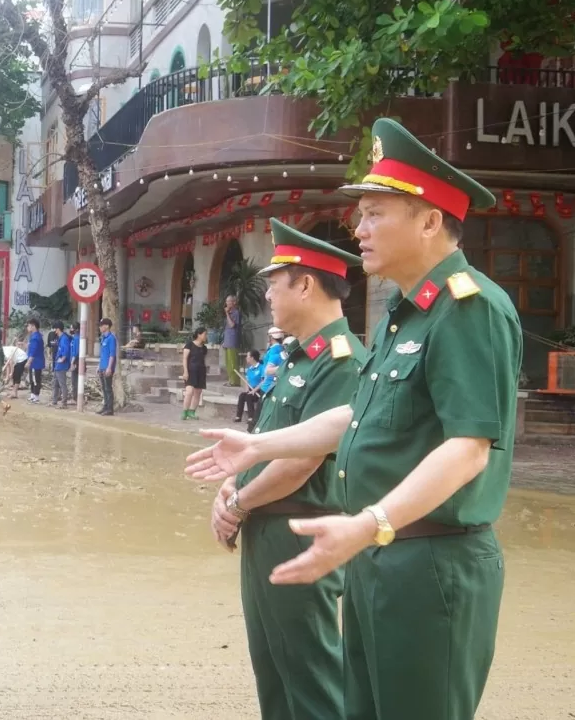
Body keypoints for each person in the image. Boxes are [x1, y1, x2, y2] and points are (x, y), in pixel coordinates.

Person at [187, 118, 519, 720]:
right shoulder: (405, 311)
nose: (357, 230)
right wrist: (258, 446)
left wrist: (369, 524)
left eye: (374, 214)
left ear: (428, 220)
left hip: (430, 561)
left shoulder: (469, 308)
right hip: (378, 554)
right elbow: (358, 417)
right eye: (359, 214)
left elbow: (470, 447)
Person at [209, 220, 366, 720]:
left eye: (275, 285)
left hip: (301, 529)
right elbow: (262, 443)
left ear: (305, 284)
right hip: (266, 526)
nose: (269, 297)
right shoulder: (297, 359)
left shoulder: (341, 362)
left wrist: (236, 504)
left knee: (311, 677)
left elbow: (301, 461)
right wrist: (232, 487)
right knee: (274, 672)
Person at [182, 326, 209, 420]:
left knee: (198, 392)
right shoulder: (189, 345)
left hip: (201, 371)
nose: (206, 336)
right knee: (189, 392)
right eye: (205, 334)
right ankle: (184, 412)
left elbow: (203, 360)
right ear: (199, 334)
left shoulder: (204, 348)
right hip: (190, 371)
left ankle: (192, 411)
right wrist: (185, 371)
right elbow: (185, 358)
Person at [234, 350, 265, 426]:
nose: (246, 358)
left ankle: (251, 417)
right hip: (251, 390)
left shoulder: (261, 368)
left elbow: (263, 381)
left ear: (252, 358)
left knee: (249, 396)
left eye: (247, 356)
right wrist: (247, 390)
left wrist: (254, 390)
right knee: (242, 395)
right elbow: (247, 382)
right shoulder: (249, 369)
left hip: (259, 390)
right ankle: (238, 416)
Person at [96, 317, 118, 416]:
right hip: (102, 366)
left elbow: (112, 355)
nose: (100, 327)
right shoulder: (103, 338)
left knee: (108, 388)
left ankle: (110, 409)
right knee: (104, 389)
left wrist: (109, 367)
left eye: (102, 325)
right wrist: (98, 366)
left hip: (108, 367)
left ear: (107, 326)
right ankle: (105, 406)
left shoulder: (111, 338)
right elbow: (102, 354)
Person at [51, 321, 71, 407]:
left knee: (62, 384)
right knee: (55, 383)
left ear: (58, 329)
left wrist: (62, 359)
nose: (53, 330)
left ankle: (64, 403)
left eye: (54, 328)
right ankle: (54, 401)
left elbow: (66, 350)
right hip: (57, 365)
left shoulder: (64, 338)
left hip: (61, 365)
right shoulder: (60, 338)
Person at [26, 318, 46, 403]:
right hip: (34, 362)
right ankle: (32, 395)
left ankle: (36, 396)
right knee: (32, 379)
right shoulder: (34, 336)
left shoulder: (35, 337)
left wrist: (28, 362)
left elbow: (33, 352)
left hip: (36, 362)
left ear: (33, 326)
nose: (27, 327)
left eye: (29, 325)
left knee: (35, 379)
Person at [223, 294, 242, 386]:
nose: (227, 303)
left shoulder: (236, 313)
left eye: (229, 301)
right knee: (228, 362)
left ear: (234, 302)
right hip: (227, 341)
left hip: (233, 341)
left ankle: (235, 381)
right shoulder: (230, 313)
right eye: (226, 301)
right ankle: (230, 380)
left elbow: (232, 325)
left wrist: (227, 313)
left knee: (233, 362)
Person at [69, 322, 80, 403]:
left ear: (76, 329)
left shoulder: (77, 339)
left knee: (74, 381)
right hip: (74, 360)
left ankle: (75, 398)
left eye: (72, 328)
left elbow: (76, 352)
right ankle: (75, 397)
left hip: (76, 361)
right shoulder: (74, 338)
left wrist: (72, 363)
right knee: (74, 380)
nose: (70, 329)